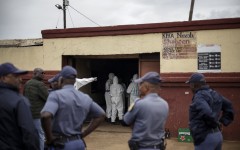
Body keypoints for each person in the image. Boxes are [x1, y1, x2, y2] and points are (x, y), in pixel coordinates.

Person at [41, 65, 105, 150]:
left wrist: (49, 139)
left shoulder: (56, 95)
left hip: (61, 144)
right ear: (75, 80)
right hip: (78, 143)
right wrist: (83, 134)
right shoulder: (85, 97)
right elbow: (101, 114)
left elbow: (45, 115)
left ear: (61, 79)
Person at [186, 73, 234, 150]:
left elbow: (207, 112)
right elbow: (229, 105)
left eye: (190, 84)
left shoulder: (199, 96)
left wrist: (216, 123)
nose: (190, 87)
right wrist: (222, 122)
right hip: (217, 136)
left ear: (194, 85)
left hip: (205, 139)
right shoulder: (214, 93)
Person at [123, 72, 169, 150]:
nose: (139, 87)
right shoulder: (164, 104)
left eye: (141, 84)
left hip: (142, 147)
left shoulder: (139, 104)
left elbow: (125, 121)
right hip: (158, 146)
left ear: (146, 87)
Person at [0, 62, 39, 150]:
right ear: (3, 78)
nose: (20, 79)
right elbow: (29, 132)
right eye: (15, 76)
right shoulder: (19, 101)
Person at [23, 68, 49, 150]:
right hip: (37, 114)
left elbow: (24, 96)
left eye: (44, 73)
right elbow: (47, 98)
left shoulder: (27, 83)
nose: (43, 74)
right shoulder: (40, 84)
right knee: (40, 134)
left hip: (28, 114)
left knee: (31, 134)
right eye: (42, 73)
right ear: (35, 73)